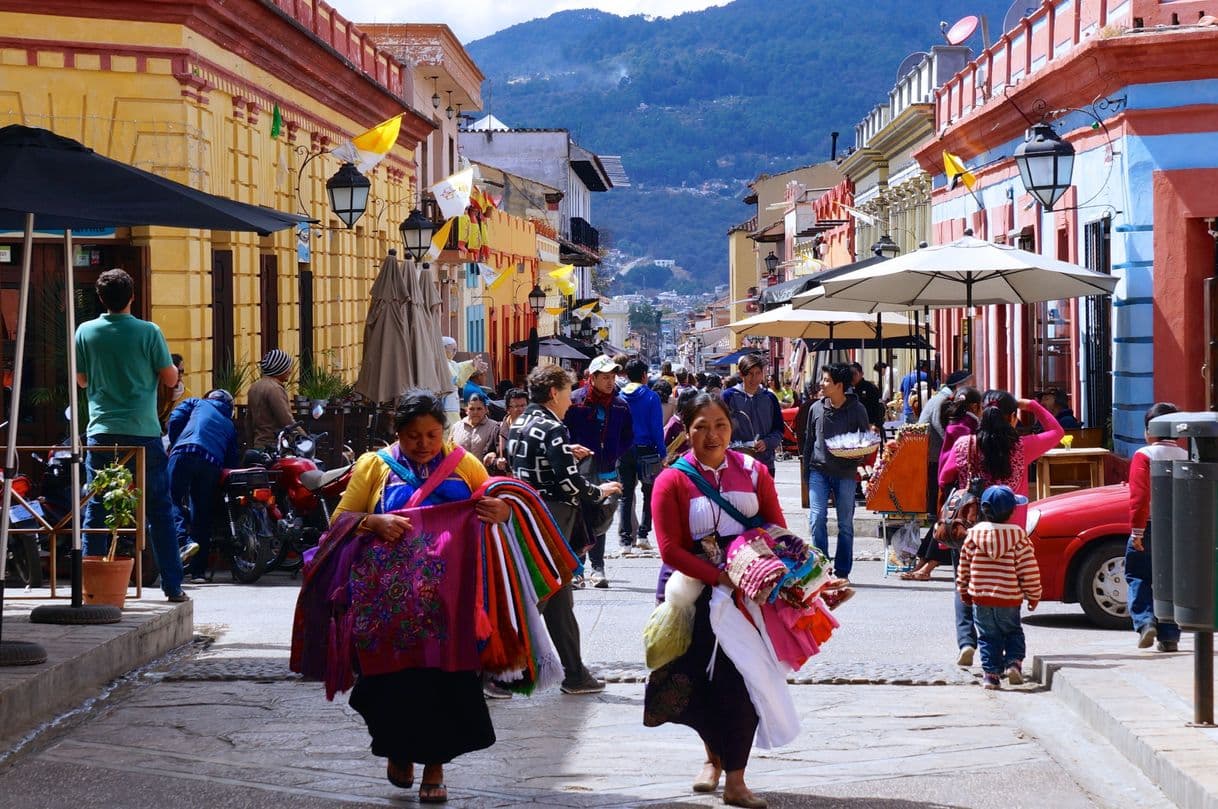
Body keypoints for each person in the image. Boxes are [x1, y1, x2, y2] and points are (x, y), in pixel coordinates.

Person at [330, 390, 511, 803]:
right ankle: (397, 750)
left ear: (443, 432)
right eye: (414, 436)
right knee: (389, 685)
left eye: (432, 434)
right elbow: (340, 520)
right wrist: (373, 521)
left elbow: (497, 503)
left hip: (451, 608)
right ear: (398, 433)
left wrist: (501, 511)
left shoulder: (464, 465)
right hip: (388, 609)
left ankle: (435, 768)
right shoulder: (375, 467)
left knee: (444, 688)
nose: (424, 444)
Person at [645, 391, 785, 809]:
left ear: (732, 427)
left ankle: (737, 780)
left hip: (747, 597)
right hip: (693, 595)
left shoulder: (755, 472)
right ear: (686, 432)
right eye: (701, 427)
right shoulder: (672, 480)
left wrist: (758, 570)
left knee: (742, 682)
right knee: (698, 685)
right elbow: (670, 549)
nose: (712, 435)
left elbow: (776, 527)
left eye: (720, 425)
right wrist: (721, 575)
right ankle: (712, 759)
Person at [74, 268, 186, 602]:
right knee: (159, 510)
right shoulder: (149, 332)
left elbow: (81, 380)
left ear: (100, 298)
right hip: (143, 432)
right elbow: (169, 379)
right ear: (133, 296)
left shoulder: (85, 331)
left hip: (102, 432)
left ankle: (91, 589)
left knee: (96, 507)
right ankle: (172, 586)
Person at [508, 364, 620, 694]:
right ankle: (497, 671)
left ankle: (575, 673)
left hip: (525, 516)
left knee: (557, 596)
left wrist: (566, 453)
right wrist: (601, 491)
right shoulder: (554, 428)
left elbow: (529, 464)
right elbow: (569, 483)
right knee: (541, 595)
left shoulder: (520, 422)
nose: (571, 401)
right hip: (553, 519)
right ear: (554, 392)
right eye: (568, 392)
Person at [940, 390, 1063, 667]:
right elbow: (1056, 431)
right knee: (1010, 585)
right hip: (1011, 532)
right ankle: (1011, 655)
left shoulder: (964, 444)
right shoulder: (1021, 447)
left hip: (969, 527)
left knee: (965, 581)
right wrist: (1031, 404)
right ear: (1012, 418)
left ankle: (968, 642)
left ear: (981, 414)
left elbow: (944, 476)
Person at [957, 484, 1042, 690]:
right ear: (1013, 510)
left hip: (981, 598)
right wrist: (1033, 594)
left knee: (987, 637)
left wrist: (963, 589)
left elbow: (964, 566)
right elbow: (1028, 569)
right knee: (1012, 631)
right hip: (1009, 598)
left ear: (983, 510)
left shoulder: (973, 535)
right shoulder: (1019, 537)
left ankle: (991, 676)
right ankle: (1013, 663)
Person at [564, 355, 633, 587]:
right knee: (579, 518)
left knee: (601, 518)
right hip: (580, 472)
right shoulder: (575, 403)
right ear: (592, 378)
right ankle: (578, 568)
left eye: (613, 377)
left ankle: (598, 567)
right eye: (605, 377)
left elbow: (627, 436)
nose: (610, 381)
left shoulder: (620, 405)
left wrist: (614, 452)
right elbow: (564, 433)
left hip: (606, 471)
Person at [902, 385, 981, 581]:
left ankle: (922, 563)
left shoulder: (954, 423)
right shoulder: (968, 427)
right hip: (959, 482)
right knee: (953, 526)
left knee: (943, 522)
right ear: (975, 406)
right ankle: (926, 568)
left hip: (946, 477)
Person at [803, 362, 871, 585]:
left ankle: (842, 571)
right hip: (818, 471)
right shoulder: (816, 409)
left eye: (826, 380)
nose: (821, 384)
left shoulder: (857, 410)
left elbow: (866, 441)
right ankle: (822, 569)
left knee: (845, 524)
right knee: (816, 518)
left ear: (839, 385)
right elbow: (809, 442)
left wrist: (856, 458)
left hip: (845, 473)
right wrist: (806, 473)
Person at [1127, 402, 1187, 652]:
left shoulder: (1144, 455)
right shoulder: (1185, 456)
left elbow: (1140, 498)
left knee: (1137, 575)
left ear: (1149, 431)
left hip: (1150, 526)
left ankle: (1145, 622)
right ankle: (1170, 635)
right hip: (1178, 528)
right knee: (1170, 580)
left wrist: (1137, 532)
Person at [166, 389, 240, 583]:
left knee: (169, 498)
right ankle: (198, 572)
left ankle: (183, 541)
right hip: (211, 462)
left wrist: (176, 441)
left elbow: (175, 417)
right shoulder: (229, 425)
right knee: (202, 512)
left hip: (184, 451)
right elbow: (231, 460)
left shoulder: (196, 403)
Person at [618, 359, 664, 554]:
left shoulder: (619, 397)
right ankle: (643, 535)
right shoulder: (652, 397)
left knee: (625, 496)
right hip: (647, 450)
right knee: (649, 493)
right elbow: (656, 428)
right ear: (644, 375)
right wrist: (662, 452)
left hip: (624, 450)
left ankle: (625, 540)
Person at [721, 354, 784, 476]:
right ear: (741, 374)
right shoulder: (728, 397)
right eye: (750, 373)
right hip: (736, 463)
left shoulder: (770, 398)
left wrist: (767, 442)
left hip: (765, 463)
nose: (754, 378)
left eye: (758, 373)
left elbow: (778, 430)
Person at [247, 349, 299, 450]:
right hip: (274, 447)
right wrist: (304, 438)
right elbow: (287, 420)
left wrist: (250, 444)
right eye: (288, 367)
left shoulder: (254, 387)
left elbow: (248, 420)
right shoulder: (275, 389)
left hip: (258, 445)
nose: (290, 371)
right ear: (280, 368)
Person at [483, 387, 528, 474]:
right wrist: (496, 462)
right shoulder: (499, 429)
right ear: (507, 409)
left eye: (523, 406)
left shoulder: (533, 428)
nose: (520, 410)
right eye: (516, 406)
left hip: (527, 482)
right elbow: (487, 454)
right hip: (506, 481)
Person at [450, 392, 498, 459]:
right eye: (472, 409)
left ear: (486, 409)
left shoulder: (494, 427)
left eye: (479, 409)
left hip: (483, 468)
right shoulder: (456, 427)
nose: (475, 412)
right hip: (460, 468)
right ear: (466, 410)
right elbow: (449, 451)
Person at [850, 361, 886, 433]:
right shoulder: (845, 389)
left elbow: (879, 407)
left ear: (861, 374)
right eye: (850, 374)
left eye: (854, 374)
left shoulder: (870, 388)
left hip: (868, 425)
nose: (852, 377)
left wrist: (877, 425)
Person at [157, 352, 188, 432]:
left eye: (182, 371)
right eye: (178, 371)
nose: (180, 375)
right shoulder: (155, 390)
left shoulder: (186, 394)